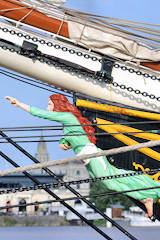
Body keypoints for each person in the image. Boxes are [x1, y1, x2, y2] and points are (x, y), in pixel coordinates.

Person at [5, 94, 160, 219]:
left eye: (50, 104)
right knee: (117, 177)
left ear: (58, 106)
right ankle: (148, 191)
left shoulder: (66, 117)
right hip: (87, 157)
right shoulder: (69, 123)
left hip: (90, 154)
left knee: (112, 183)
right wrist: (64, 142)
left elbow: (42, 114)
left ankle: (146, 196)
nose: (47, 107)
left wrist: (20, 104)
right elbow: (68, 141)